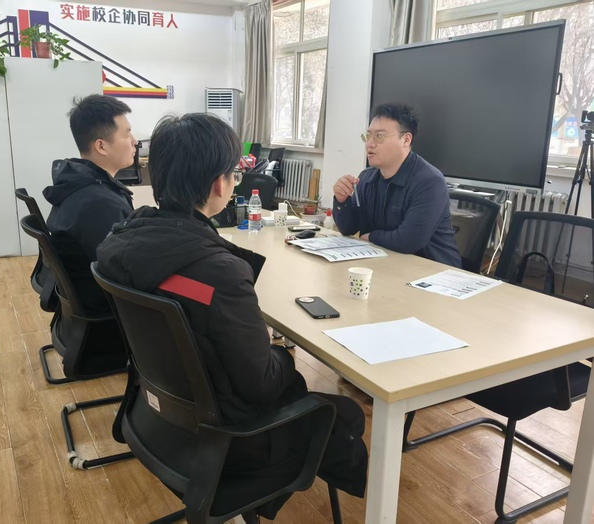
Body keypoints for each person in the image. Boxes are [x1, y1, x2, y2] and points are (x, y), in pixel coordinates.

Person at [97, 113, 367, 520]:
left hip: (157, 418)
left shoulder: (121, 242)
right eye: (234, 175)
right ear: (219, 185)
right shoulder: (216, 273)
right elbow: (262, 384)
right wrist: (280, 354)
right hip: (229, 443)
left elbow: (193, 300)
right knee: (344, 414)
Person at [333, 103, 461, 267]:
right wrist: (341, 200)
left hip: (434, 270)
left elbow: (409, 241)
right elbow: (348, 229)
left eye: (379, 136)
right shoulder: (366, 178)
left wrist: (370, 237)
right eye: (368, 136)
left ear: (406, 139)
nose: (369, 144)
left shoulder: (429, 182)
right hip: (386, 264)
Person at [43, 94, 136, 315]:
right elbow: (130, 273)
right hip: (107, 313)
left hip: (85, 300)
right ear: (101, 146)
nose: (134, 141)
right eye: (127, 134)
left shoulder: (78, 183)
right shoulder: (99, 204)